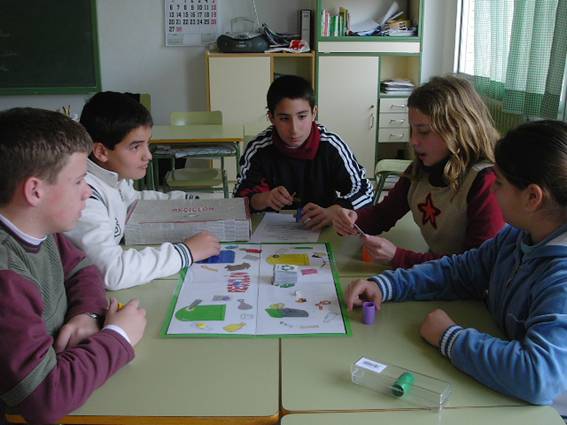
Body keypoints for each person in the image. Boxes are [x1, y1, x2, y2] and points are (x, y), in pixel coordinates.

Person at [345, 120, 567, 405]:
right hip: (498, 387)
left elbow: (538, 377)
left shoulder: (561, 277)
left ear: (532, 197)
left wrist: (449, 337)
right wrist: (385, 284)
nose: (493, 190)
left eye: (499, 183)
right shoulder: (516, 237)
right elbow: (459, 271)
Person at [0, 108, 147, 423]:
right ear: (35, 191)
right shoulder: (7, 277)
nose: (87, 192)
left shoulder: (42, 229)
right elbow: (44, 400)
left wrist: (87, 314)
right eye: (79, 180)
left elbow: (83, 270)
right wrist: (119, 335)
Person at [333, 76, 505, 268]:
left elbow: (476, 267)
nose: (414, 141)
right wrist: (353, 219)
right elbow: (383, 215)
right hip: (438, 272)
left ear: (458, 129)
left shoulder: (485, 182)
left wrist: (398, 256)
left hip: (468, 286)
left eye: (423, 132)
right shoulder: (419, 170)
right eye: (412, 130)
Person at [65, 92, 220, 291]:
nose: (148, 155)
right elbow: (112, 272)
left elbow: (135, 202)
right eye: (136, 147)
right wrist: (185, 252)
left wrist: (190, 200)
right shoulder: (85, 196)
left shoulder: (113, 176)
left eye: (148, 143)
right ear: (102, 151)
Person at [233, 75, 374, 231]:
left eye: (302, 116)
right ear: (271, 117)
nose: (294, 129)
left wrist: (334, 210)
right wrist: (262, 199)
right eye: (284, 119)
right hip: (271, 232)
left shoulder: (331, 146)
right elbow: (238, 199)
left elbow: (365, 191)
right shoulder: (258, 149)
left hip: (321, 230)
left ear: (314, 113)